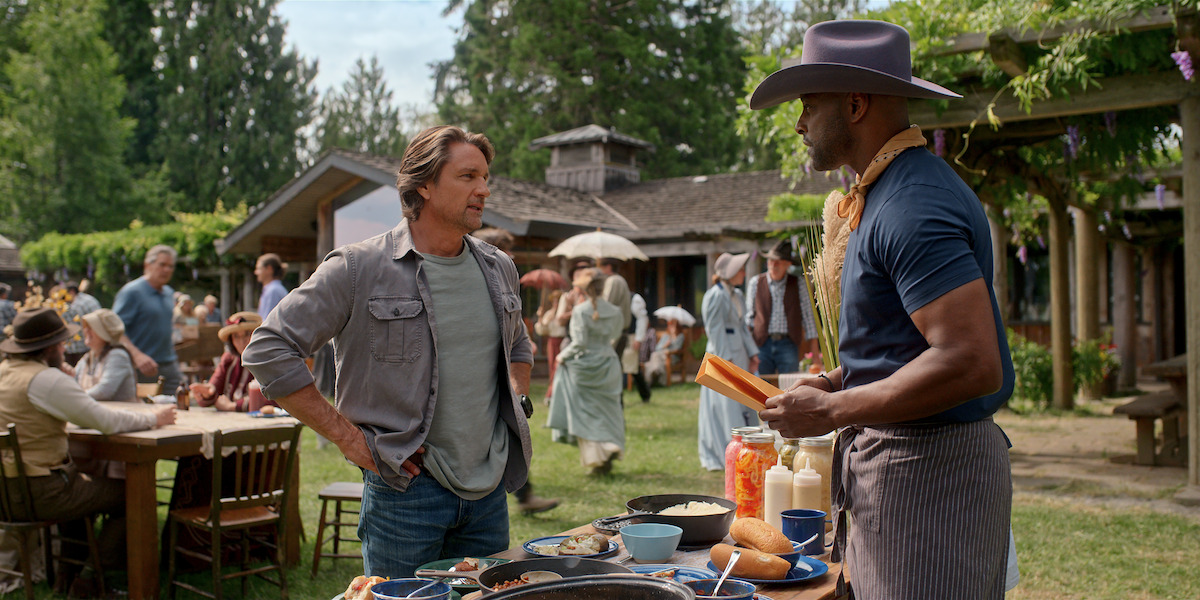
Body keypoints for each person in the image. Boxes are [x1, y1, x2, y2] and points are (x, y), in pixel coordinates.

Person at [750, 20, 1016, 599]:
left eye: (808, 105)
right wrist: (834, 381)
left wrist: (834, 410)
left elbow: (971, 361)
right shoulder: (892, 193)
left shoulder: (912, 205)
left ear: (854, 103)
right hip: (904, 466)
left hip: (927, 473)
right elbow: (908, 348)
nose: (799, 124)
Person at [242, 125, 535, 578]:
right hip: (404, 491)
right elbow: (269, 347)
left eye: (485, 176)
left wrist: (516, 397)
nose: (484, 189)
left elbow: (517, 342)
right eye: (468, 176)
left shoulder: (499, 267)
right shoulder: (359, 267)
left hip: (489, 490)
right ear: (424, 184)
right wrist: (350, 439)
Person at [0, 307, 175, 598]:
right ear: (50, 346)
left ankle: (68, 575)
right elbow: (104, 421)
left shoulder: (5, 372)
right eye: (61, 342)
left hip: (8, 492)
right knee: (132, 494)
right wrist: (153, 418)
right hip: (41, 492)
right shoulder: (45, 380)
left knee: (82, 492)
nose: (65, 346)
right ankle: (92, 577)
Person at [470, 226, 559, 514]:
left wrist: (520, 387)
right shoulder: (471, 283)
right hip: (474, 386)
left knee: (508, 436)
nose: (509, 257)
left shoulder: (504, 283)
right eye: (503, 250)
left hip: (498, 382)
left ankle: (524, 496)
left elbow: (515, 336)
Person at [546, 268, 625, 475]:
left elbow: (579, 343)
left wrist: (562, 356)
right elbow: (616, 334)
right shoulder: (615, 312)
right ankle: (608, 450)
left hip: (587, 364)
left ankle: (599, 457)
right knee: (609, 411)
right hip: (609, 363)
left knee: (587, 412)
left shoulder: (581, 311)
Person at [697, 252, 759, 471]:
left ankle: (745, 449)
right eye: (740, 269)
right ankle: (725, 452)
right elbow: (715, 330)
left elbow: (742, 327)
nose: (743, 273)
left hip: (740, 354)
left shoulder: (738, 296)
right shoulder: (715, 296)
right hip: (724, 357)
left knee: (742, 403)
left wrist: (752, 353)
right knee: (725, 406)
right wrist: (726, 362)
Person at [113, 245, 185, 396]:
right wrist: (137, 355)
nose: (167, 270)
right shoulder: (132, 292)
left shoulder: (168, 293)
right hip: (141, 367)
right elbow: (115, 330)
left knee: (181, 405)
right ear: (147, 265)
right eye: (162, 264)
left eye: (171, 266)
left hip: (169, 364)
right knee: (146, 415)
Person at [744, 240, 817, 375]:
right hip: (761, 344)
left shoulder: (798, 284)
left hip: (788, 344)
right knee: (761, 388)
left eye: (778, 261)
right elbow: (749, 318)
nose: (773, 265)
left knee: (789, 387)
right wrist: (749, 351)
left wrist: (816, 355)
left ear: (788, 264)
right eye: (771, 260)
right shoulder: (755, 283)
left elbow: (808, 317)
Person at [189, 311, 275, 412]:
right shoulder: (229, 359)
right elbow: (215, 387)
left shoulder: (270, 360)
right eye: (236, 336)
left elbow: (275, 397)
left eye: (247, 334)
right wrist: (207, 393)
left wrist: (233, 406)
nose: (241, 342)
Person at [72, 309, 137, 403]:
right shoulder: (88, 357)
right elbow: (73, 381)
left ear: (104, 333)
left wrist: (73, 397)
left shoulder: (117, 355)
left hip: (122, 414)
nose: (86, 331)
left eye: (91, 328)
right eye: (86, 327)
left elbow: (104, 391)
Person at [62, 281, 101, 366]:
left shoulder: (77, 305)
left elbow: (72, 327)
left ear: (71, 292)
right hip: (95, 343)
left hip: (80, 348)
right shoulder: (89, 299)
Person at [644, 317, 687, 386]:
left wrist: (673, 337)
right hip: (661, 355)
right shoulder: (666, 336)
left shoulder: (680, 336)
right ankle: (656, 372)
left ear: (677, 326)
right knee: (655, 355)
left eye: (672, 325)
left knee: (654, 357)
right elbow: (657, 348)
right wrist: (665, 345)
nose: (670, 327)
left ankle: (653, 376)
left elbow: (677, 348)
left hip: (671, 357)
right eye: (669, 325)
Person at [254, 253, 288, 319]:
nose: (256, 272)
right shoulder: (273, 289)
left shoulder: (273, 291)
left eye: (259, 269)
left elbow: (267, 320)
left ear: (269, 269)